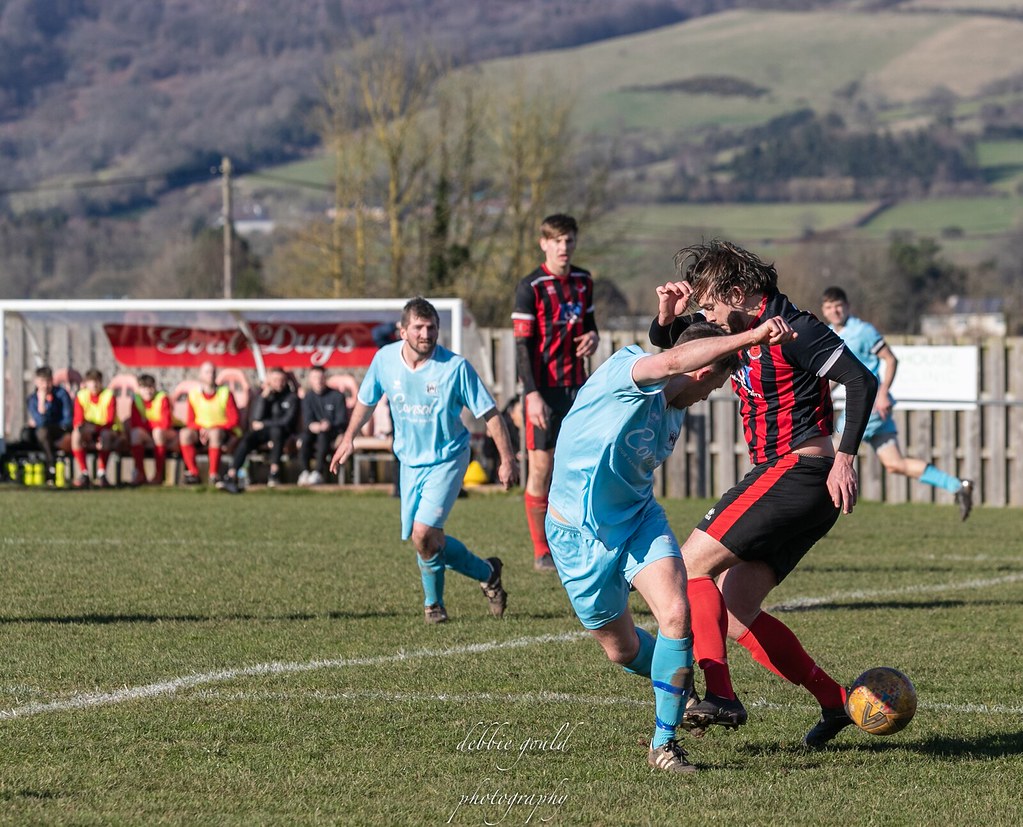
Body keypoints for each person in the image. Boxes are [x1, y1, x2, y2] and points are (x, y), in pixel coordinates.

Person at [648, 240, 879, 748]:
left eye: (709, 304)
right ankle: (835, 700)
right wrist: (666, 319)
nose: (705, 315)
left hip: (798, 471)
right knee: (733, 613)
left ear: (737, 292)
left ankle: (723, 694)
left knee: (690, 567)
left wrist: (846, 456)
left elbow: (862, 381)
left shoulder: (797, 329)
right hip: (795, 483)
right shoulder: (743, 331)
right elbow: (678, 355)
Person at [547, 316, 794, 773]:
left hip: (640, 519)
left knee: (676, 615)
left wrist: (668, 318)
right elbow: (675, 357)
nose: (711, 394)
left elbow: (680, 348)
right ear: (704, 371)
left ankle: (664, 744)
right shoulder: (628, 373)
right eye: (717, 382)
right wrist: (753, 336)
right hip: (576, 534)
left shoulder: (674, 405)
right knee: (620, 650)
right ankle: (676, 683)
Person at [330, 297, 520, 624]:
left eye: (431, 327)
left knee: (423, 534)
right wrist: (348, 437)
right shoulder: (385, 360)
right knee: (430, 541)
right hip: (409, 461)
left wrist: (507, 459)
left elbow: (490, 414)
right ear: (402, 331)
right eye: (418, 327)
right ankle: (488, 572)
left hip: (448, 459)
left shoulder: (454, 368)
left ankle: (434, 606)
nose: (426, 333)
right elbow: (365, 401)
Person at [820, 286, 974, 520]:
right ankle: (957, 486)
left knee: (827, 457)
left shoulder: (862, 331)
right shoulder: (830, 332)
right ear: (824, 309)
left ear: (848, 306)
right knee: (895, 464)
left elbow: (890, 359)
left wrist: (882, 393)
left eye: (838, 305)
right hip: (871, 409)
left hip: (867, 406)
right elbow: (838, 376)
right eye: (829, 307)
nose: (835, 311)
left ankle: (814, 517)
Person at [512, 213, 598, 571]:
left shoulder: (583, 281)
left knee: (580, 467)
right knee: (542, 466)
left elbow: (590, 326)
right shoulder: (530, 286)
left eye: (569, 241)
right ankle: (541, 551)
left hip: (577, 389)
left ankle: (577, 538)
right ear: (544, 243)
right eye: (557, 241)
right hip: (543, 391)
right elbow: (521, 347)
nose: (564, 247)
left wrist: (592, 337)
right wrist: (530, 394)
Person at [221, 367, 299, 492]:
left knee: (277, 432)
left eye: (281, 380)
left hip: (282, 432)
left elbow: (286, 421)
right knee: (247, 439)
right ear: (269, 381)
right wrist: (263, 398)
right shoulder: (262, 395)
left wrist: (264, 424)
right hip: (264, 432)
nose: (278, 383)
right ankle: (231, 475)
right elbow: (255, 419)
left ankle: (274, 473)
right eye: (275, 380)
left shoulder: (291, 397)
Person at [179, 360, 241, 485]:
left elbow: (234, 420)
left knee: (215, 434)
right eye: (207, 372)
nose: (211, 375)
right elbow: (190, 421)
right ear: (200, 375)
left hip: (222, 431)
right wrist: (202, 429)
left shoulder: (225, 393)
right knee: (184, 434)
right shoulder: (194, 394)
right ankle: (193, 473)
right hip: (200, 431)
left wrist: (213, 428)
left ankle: (213, 474)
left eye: (213, 372)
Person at [297, 366, 348, 486]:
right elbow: (306, 420)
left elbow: (342, 421)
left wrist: (329, 425)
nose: (318, 381)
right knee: (305, 438)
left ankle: (318, 472)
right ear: (310, 380)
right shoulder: (308, 397)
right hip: (313, 431)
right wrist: (312, 425)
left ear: (325, 378)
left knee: (323, 436)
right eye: (315, 378)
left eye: (320, 377)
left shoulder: (337, 396)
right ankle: (304, 472)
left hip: (332, 432)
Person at [23, 365, 73, 482]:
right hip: (43, 433)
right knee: (31, 433)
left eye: (48, 381)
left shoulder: (61, 394)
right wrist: (41, 402)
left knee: (43, 432)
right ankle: (48, 466)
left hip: (60, 430)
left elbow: (67, 419)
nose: (45, 385)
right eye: (42, 382)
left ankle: (50, 467)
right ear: (36, 382)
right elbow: (40, 422)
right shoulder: (33, 399)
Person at [71, 368, 119, 488]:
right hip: (89, 431)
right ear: (86, 383)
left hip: (106, 430)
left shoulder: (108, 395)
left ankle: (101, 474)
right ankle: (84, 473)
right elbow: (78, 420)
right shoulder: (81, 396)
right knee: (76, 434)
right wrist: (87, 431)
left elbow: (110, 420)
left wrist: (95, 430)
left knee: (106, 435)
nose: (94, 384)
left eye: (97, 381)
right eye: (91, 381)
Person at [127, 373, 173, 485]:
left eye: (150, 387)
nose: (148, 391)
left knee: (158, 432)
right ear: (139, 389)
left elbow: (165, 423)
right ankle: (140, 473)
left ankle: (158, 475)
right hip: (148, 435)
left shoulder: (162, 398)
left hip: (166, 436)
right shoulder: (136, 400)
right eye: (144, 388)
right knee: (136, 434)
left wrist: (148, 423)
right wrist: (152, 424)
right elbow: (135, 423)